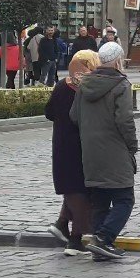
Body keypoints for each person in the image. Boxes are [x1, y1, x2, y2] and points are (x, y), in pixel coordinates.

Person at [69, 42, 138, 261]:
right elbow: (125, 120)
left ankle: (100, 249)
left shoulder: (84, 84)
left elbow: (74, 116)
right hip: (115, 150)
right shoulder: (121, 85)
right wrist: (132, 145)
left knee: (100, 200)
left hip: (90, 151)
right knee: (124, 198)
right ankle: (103, 238)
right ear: (118, 61)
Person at [46, 49, 100, 256]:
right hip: (82, 146)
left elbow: (49, 112)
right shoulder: (86, 89)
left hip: (61, 145)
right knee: (80, 193)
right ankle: (76, 240)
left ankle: (61, 224)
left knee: (73, 189)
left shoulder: (62, 85)